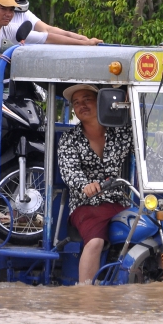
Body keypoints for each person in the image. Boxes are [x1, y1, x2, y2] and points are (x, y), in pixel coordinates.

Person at [57, 84, 135, 284]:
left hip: (118, 200)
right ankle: (86, 295)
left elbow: (147, 158)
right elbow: (69, 171)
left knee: (147, 230)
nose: (81, 105)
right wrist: (85, 185)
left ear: (100, 101)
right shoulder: (69, 139)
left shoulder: (121, 132)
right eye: (76, 103)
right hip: (86, 203)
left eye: (87, 99)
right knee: (95, 241)